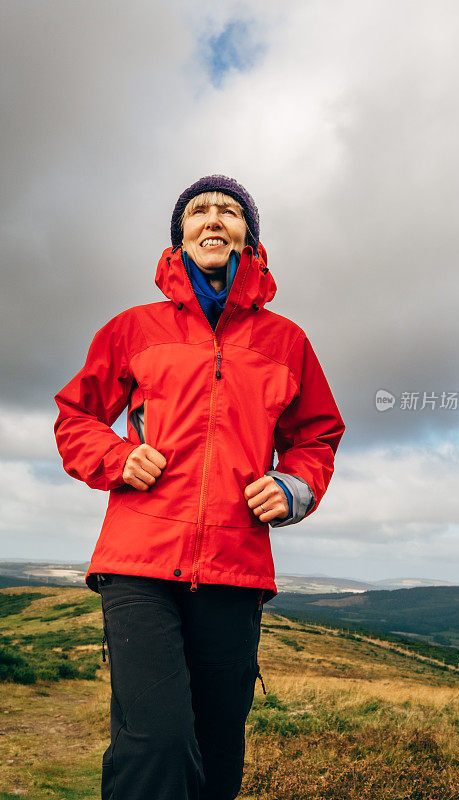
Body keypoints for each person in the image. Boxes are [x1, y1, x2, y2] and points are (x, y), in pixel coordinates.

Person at [53, 174, 345, 800]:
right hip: (138, 562)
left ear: (250, 238)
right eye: (198, 210)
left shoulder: (286, 341)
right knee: (154, 741)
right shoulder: (134, 328)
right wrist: (116, 456)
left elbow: (317, 435)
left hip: (235, 567)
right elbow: (74, 416)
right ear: (179, 234)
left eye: (230, 211)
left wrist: (293, 486)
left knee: (217, 749)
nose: (213, 218)